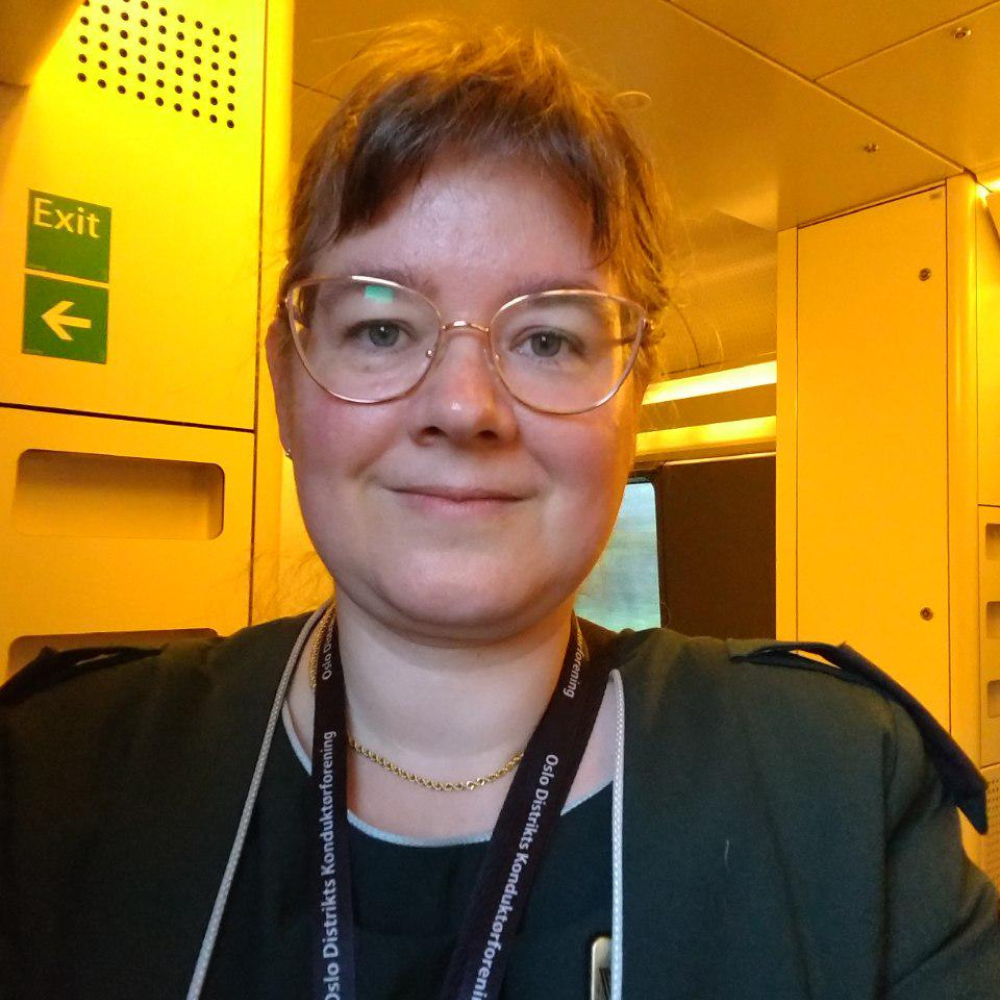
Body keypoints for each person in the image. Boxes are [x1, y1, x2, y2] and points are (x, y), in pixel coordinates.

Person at [2, 21, 998, 1000]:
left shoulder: (836, 786)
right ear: (287, 386)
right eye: (384, 326)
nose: (464, 406)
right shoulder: (59, 777)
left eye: (550, 341)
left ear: (632, 399)